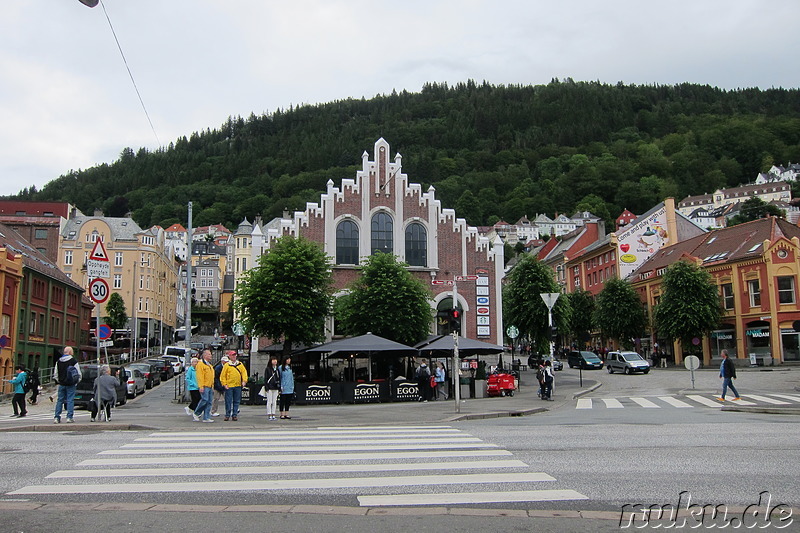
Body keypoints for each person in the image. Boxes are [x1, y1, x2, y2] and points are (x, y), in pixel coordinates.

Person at [53, 346, 81, 423]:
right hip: (71, 384)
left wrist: (59, 381)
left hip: (62, 384)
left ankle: (57, 417)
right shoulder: (73, 361)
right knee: (70, 400)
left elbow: (55, 374)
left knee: (59, 400)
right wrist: (77, 381)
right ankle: (69, 417)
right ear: (70, 352)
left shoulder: (58, 361)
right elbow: (78, 373)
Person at [221, 351, 249, 421]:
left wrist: (244, 381)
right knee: (228, 401)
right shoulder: (227, 365)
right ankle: (227, 414)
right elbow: (223, 376)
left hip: (238, 385)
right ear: (229, 357)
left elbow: (244, 373)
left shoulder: (240, 364)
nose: (234, 357)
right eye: (232, 355)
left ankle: (235, 414)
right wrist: (224, 384)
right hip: (229, 385)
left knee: (236, 401)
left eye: (235, 355)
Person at [192, 349, 215, 422]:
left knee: (209, 402)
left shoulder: (209, 364)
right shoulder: (201, 364)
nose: (210, 355)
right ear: (204, 355)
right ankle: (196, 413)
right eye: (209, 354)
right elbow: (200, 376)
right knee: (204, 400)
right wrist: (201, 386)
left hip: (210, 385)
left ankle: (206, 417)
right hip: (204, 385)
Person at [264, 356, 281, 420]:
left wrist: (279, 388)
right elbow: (266, 378)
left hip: (275, 387)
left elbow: (279, 378)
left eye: (275, 360)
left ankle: (273, 414)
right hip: (269, 387)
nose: (275, 361)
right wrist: (266, 387)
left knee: (274, 401)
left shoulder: (277, 369)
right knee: (269, 401)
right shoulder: (268, 369)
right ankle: (269, 414)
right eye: (273, 360)